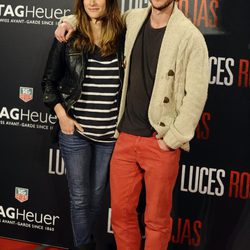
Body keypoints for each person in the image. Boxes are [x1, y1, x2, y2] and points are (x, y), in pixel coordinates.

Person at [54, 0, 209, 249]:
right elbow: (100, 16)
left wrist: (174, 138)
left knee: (156, 222)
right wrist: (69, 21)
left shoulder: (190, 36)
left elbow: (197, 95)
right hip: (124, 138)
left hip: (159, 141)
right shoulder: (133, 19)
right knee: (121, 217)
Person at [41, 0, 124, 250]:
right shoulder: (68, 35)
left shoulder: (123, 35)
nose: (93, 1)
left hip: (109, 136)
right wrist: (62, 116)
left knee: (97, 198)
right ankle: (84, 246)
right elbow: (48, 82)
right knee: (79, 199)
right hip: (75, 134)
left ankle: (84, 243)